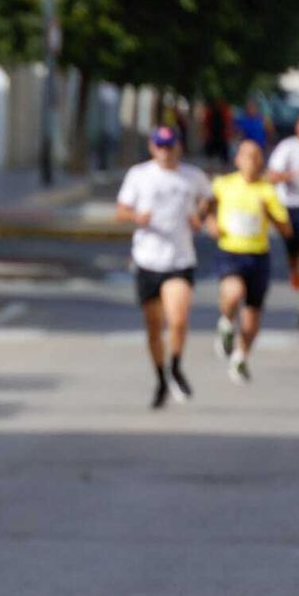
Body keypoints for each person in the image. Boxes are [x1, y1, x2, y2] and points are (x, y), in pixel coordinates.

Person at [116, 127, 213, 408]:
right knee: (153, 326)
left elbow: (208, 201)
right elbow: (121, 210)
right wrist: (137, 217)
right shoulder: (139, 175)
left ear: (178, 147)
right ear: (152, 147)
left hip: (180, 260)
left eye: (170, 146)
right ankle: (161, 377)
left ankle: (176, 366)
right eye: (160, 145)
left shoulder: (192, 176)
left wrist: (202, 217)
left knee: (178, 319)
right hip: (147, 260)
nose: (165, 151)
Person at [209, 138, 291, 383]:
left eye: (257, 156)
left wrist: (270, 214)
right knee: (234, 293)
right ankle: (226, 323)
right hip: (230, 251)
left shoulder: (267, 191)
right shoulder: (224, 184)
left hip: (258, 256)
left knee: (252, 317)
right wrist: (211, 223)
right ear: (238, 159)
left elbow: (286, 230)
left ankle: (240, 358)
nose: (253, 161)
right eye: (247, 156)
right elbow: (204, 207)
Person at [265, 114, 299, 327]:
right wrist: (295, 174)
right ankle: (294, 270)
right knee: (294, 254)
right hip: (290, 206)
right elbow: (271, 176)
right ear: (298, 128)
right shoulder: (287, 148)